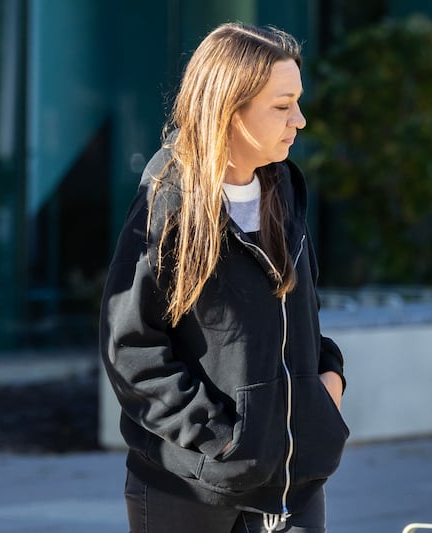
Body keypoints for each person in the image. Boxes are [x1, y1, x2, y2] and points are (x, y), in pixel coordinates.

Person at [99, 22, 348, 533]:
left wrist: (327, 382)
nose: (299, 120)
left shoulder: (285, 191)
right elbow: (131, 347)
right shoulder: (170, 203)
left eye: (298, 103)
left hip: (294, 485)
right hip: (189, 489)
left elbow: (301, 318)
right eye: (282, 106)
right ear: (230, 109)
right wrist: (221, 438)